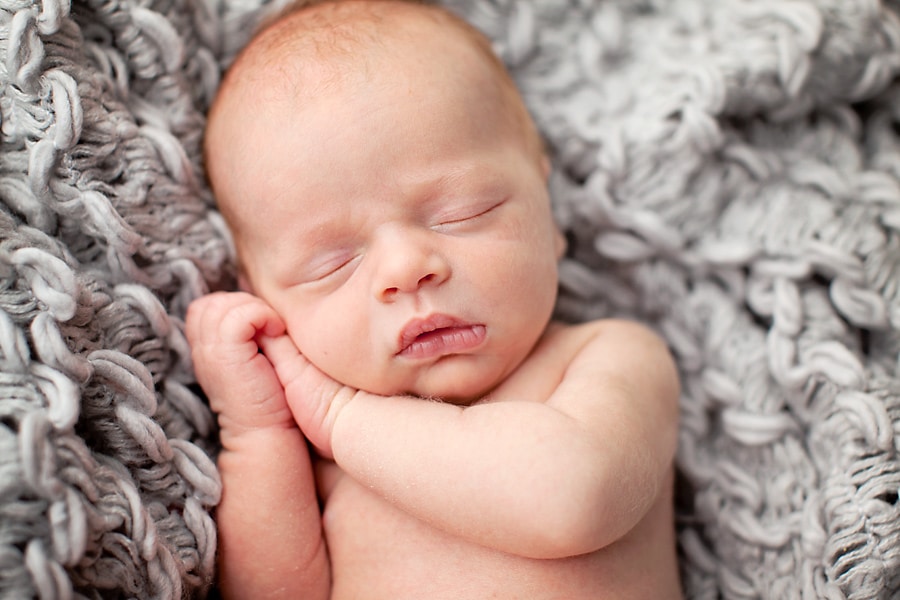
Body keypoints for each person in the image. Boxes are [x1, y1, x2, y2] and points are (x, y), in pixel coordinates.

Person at [186, 0, 682, 597]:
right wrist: (257, 433)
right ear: (260, 293)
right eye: (333, 263)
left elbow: (572, 500)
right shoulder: (317, 461)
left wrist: (341, 417)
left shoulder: (610, 357)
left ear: (547, 212)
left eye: (462, 213)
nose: (406, 270)